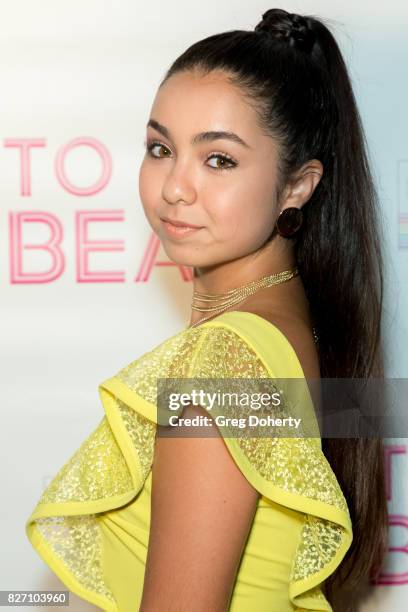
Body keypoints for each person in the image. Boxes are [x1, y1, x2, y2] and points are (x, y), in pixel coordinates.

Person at [25, 7, 388, 612]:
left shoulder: (225, 361)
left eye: (218, 158)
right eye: (160, 148)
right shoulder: (285, 320)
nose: (174, 187)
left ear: (298, 185)